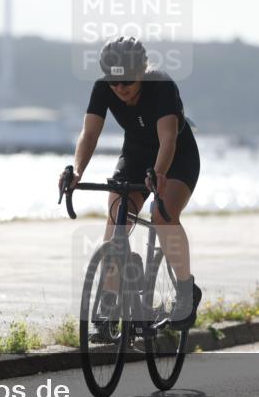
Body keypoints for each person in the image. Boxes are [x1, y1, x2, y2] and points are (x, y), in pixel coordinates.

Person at [58, 36, 202, 330]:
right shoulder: (103, 89)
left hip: (176, 157)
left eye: (127, 81)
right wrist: (77, 173)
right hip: (136, 155)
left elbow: (169, 139)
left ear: (141, 71)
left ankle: (187, 291)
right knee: (116, 225)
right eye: (114, 82)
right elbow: (89, 135)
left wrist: (158, 174)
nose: (120, 88)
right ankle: (110, 302)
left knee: (162, 215)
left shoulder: (161, 86)